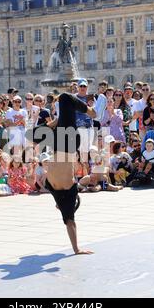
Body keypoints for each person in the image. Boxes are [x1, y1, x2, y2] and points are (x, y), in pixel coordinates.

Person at [27, 92, 97, 254]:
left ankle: (59, 119)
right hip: (70, 142)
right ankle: (89, 111)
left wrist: (76, 249)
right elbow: (71, 223)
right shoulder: (71, 190)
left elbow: (69, 223)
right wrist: (77, 249)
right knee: (65, 98)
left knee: (31, 135)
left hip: (59, 143)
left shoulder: (51, 188)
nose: (58, 207)